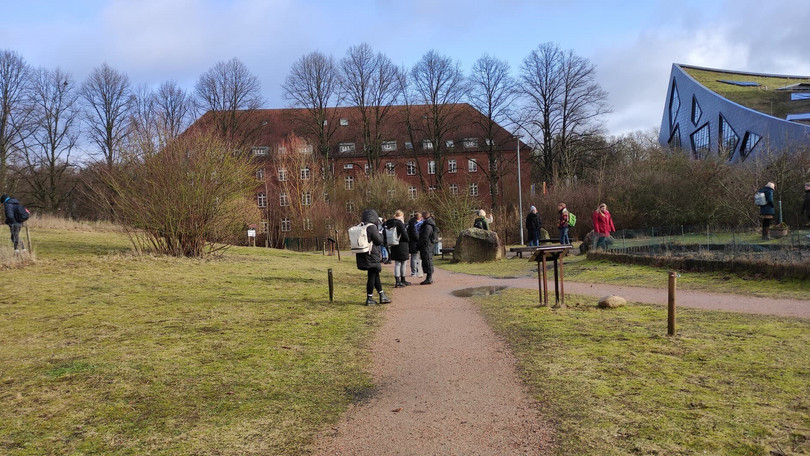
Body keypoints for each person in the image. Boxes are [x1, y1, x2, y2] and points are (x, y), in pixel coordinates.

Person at [356, 209, 391, 305]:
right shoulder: (371, 227)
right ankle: (369, 298)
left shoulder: (361, 226)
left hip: (363, 254)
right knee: (372, 276)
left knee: (374, 275)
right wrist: (380, 233)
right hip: (372, 254)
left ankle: (382, 295)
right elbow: (379, 241)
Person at [384, 210, 411, 288]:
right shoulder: (400, 223)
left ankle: (397, 281)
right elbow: (405, 235)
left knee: (397, 263)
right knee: (403, 263)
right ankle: (402, 280)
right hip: (402, 245)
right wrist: (408, 239)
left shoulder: (389, 223)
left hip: (393, 244)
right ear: (401, 216)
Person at [417, 211, 437, 285]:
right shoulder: (428, 224)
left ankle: (429, 278)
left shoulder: (427, 226)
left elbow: (424, 237)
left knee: (427, 261)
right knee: (427, 261)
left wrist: (419, 245)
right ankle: (429, 277)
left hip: (426, 246)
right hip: (427, 245)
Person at [407, 212, 423, 277]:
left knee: (416, 257)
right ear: (419, 218)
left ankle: (417, 271)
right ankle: (414, 271)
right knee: (415, 257)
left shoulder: (411, 223)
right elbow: (414, 234)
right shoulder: (414, 224)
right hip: (414, 242)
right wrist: (419, 239)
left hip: (413, 242)